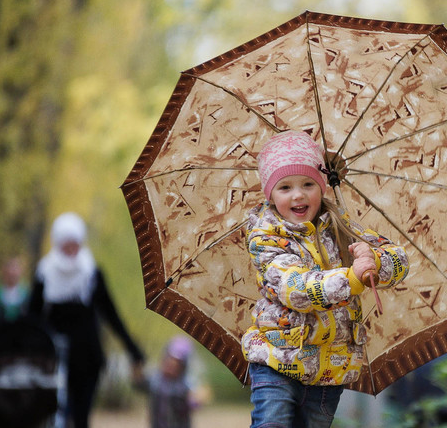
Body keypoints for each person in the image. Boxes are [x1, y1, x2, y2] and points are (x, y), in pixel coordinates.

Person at [242, 130, 409, 428]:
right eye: (285, 187)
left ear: (322, 187)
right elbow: (296, 290)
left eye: (308, 184)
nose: (299, 194)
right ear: (270, 194)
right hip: (277, 359)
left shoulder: (340, 227)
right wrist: (352, 278)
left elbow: (399, 259)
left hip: (329, 367)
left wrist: (374, 260)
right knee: (273, 424)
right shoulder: (265, 238)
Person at [28, 212, 145, 428]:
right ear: (58, 244)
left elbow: (111, 314)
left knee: (81, 418)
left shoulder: (91, 273)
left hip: (87, 358)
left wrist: (132, 348)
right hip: (53, 359)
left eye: (75, 244)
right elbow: (32, 318)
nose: (72, 250)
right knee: (58, 417)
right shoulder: (44, 273)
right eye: (67, 245)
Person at [134, 335, 207, 428]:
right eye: (169, 361)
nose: (171, 366)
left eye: (176, 364)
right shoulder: (155, 380)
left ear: (183, 367)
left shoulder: (186, 385)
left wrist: (197, 399)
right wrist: (136, 370)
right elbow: (139, 384)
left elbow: (194, 401)